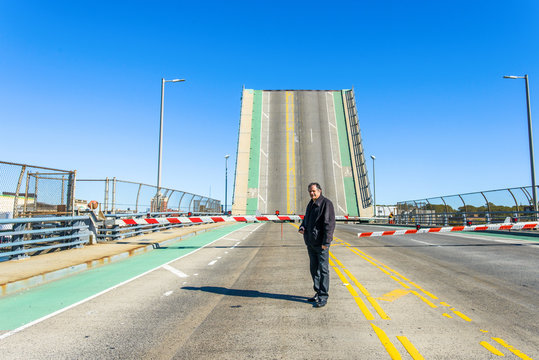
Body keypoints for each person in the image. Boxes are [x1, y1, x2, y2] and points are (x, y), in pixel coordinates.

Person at [298, 182, 335, 308]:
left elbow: (329, 224)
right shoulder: (311, 204)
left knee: (323, 270)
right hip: (310, 242)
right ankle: (318, 292)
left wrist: (326, 242)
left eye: (313, 191)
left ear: (319, 191)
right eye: (310, 191)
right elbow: (306, 219)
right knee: (314, 269)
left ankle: (323, 296)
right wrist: (302, 226)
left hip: (321, 244)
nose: (311, 193)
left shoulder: (326, 204)